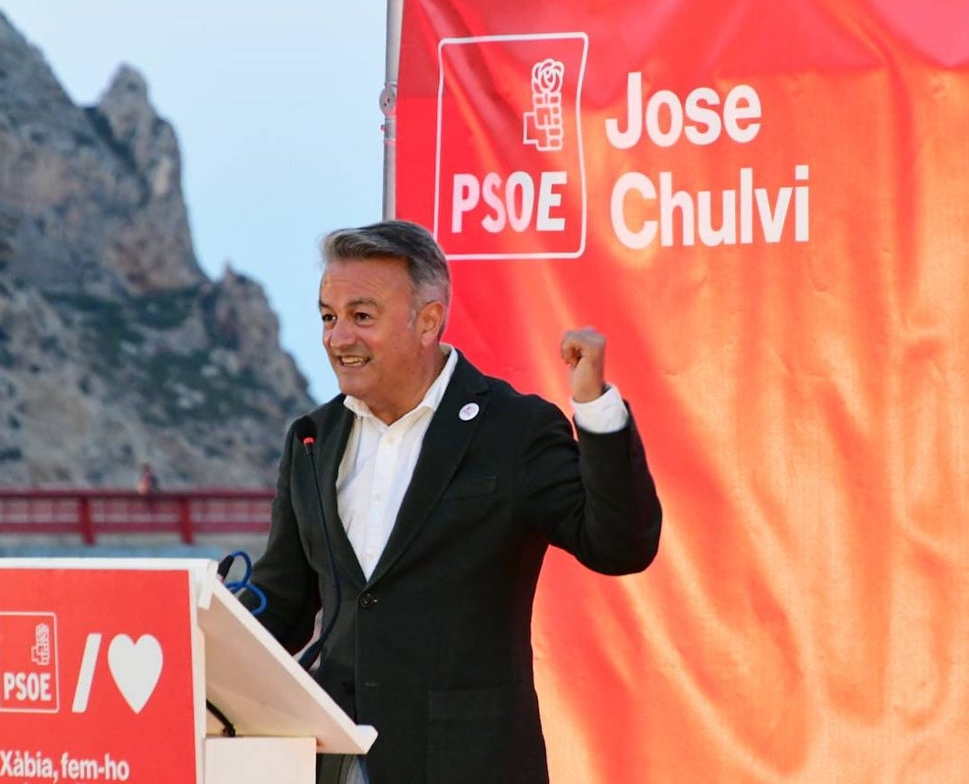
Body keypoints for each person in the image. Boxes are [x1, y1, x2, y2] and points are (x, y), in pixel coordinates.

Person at [241, 220, 661, 784]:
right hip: (336, 765)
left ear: (428, 321)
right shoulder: (312, 439)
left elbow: (621, 544)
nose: (338, 337)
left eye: (362, 317)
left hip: (470, 763)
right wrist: (198, 631)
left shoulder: (514, 429)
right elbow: (284, 601)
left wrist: (596, 410)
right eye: (328, 316)